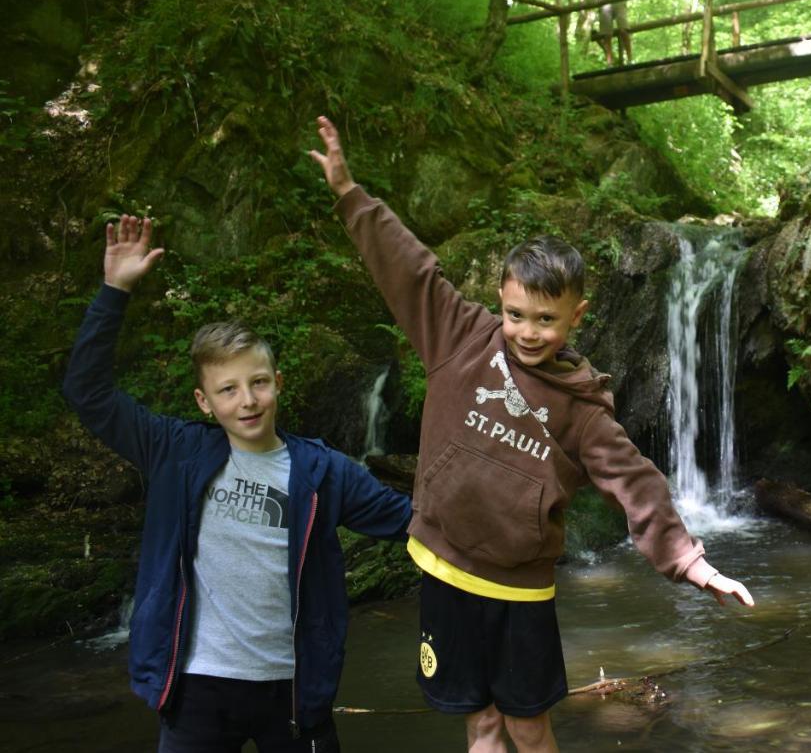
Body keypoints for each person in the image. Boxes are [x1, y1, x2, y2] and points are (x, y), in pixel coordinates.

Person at [308, 116, 753, 753]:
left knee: (527, 724)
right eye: (516, 314)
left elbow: (636, 483)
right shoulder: (460, 337)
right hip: (443, 570)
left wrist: (691, 564)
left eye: (546, 319)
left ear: (577, 316)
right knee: (480, 723)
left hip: (520, 590)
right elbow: (408, 270)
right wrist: (351, 193)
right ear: (499, 299)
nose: (527, 332)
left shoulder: (582, 410)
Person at [62, 214, 413, 753]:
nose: (246, 401)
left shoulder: (323, 471)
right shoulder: (176, 450)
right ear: (204, 401)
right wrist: (114, 290)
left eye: (258, 383)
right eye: (228, 390)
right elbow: (87, 392)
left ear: (278, 383)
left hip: (295, 692)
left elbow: (417, 522)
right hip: (198, 687)